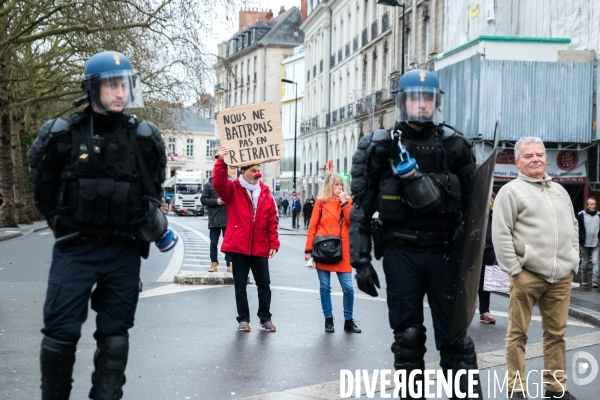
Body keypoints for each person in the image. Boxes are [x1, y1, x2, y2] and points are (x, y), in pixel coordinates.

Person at [28, 51, 176, 399]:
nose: (120, 92)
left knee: (115, 337)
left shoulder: (144, 138)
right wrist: (62, 223)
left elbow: (152, 192)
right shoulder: (62, 136)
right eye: (111, 84)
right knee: (60, 334)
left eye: (124, 84)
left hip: (123, 252)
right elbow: (43, 189)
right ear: (92, 88)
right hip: (75, 249)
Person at [349, 69, 481, 398]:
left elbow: (476, 206)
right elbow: (361, 207)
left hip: (445, 254)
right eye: (413, 98)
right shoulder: (377, 146)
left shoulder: (456, 145)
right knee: (407, 338)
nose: (420, 105)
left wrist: (476, 256)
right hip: (400, 252)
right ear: (401, 101)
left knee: (455, 339)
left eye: (426, 98)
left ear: (435, 102)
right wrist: (361, 260)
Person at [492, 137, 579, 400]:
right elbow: (501, 233)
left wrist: (573, 259)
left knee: (557, 335)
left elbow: (573, 226)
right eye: (528, 156)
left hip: (561, 276)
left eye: (539, 154)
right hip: (526, 274)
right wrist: (514, 268)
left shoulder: (559, 191)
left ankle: (555, 387)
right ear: (517, 161)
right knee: (517, 334)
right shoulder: (510, 191)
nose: (536, 159)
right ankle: (516, 388)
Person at [213, 145, 280, 332]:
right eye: (253, 171)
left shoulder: (266, 193)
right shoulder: (233, 190)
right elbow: (219, 183)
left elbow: (271, 221)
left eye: (259, 171)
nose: (257, 174)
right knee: (240, 285)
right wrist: (221, 161)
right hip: (239, 247)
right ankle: (243, 319)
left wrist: (273, 242)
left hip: (260, 246)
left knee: (264, 284)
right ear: (243, 171)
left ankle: (265, 318)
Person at [304, 173, 360, 333]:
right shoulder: (320, 203)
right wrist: (308, 250)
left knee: (348, 288)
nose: (339, 188)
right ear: (329, 186)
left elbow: (353, 220)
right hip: (323, 249)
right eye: (336, 185)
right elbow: (312, 227)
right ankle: (328, 319)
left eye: (341, 185)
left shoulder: (348, 202)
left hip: (342, 250)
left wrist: (344, 202)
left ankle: (348, 321)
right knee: (325, 287)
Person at [201, 158, 233, 273]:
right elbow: (203, 200)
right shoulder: (208, 185)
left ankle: (230, 264)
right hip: (214, 219)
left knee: (228, 243)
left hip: (227, 219)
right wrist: (216, 202)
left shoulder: (229, 184)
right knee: (213, 243)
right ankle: (213, 264)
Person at [478, 193, 497, 324]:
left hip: (488, 247)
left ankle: (485, 311)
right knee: (465, 282)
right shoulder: (473, 191)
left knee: (486, 282)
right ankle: (460, 311)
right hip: (472, 247)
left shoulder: (492, 196)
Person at [576, 197, 600, 288]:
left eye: (595, 204)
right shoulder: (581, 215)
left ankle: (594, 281)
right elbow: (577, 228)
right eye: (591, 204)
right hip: (584, 243)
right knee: (585, 263)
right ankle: (584, 279)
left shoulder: (599, 215)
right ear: (587, 205)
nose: (593, 206)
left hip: (596, 243)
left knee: (595, 262)